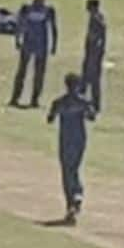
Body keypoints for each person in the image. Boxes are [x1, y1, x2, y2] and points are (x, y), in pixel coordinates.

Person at [45, 74, 96, 225]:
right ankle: (76, 196)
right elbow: (91, 116)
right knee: (74, 168)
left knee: (67, 171)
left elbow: (50, 118)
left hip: (65, 139)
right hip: (79, 139)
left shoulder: (59, 102)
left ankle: (72, 201)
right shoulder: (83, 102)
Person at [10, 0, 57, 108]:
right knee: (22, 71)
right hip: (28, 43)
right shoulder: (26, 9)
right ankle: (15, 97)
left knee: (39, 73)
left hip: (42, 44)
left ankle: (35, 99)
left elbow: (53, 28)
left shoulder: (49, 10)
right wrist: (17, 39)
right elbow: (20, 24)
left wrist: (54, 45)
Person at [82, 0, 107, 114]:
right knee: (89, 77)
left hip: (94, 52)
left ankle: (93, 103)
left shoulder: (96, 18)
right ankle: (91, 101)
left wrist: (97, 49)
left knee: (92, 78)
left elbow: (101, 33)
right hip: (91, 51)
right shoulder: (96, 17)